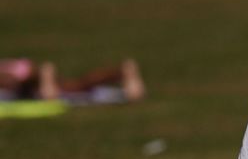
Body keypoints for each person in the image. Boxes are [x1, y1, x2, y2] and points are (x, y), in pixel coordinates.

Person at [0, 58, 145, 102]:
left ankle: (122, 72)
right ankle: (122, 72)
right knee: (77, 86)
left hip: (26, 81)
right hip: (26, 81)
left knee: (76, 87)